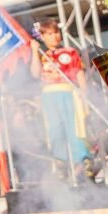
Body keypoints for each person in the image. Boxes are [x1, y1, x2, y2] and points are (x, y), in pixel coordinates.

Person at [33, 20, 91, 173]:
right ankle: (60, 161)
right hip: (49, 95)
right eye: (50, 34)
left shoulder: (70, 52)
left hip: (68, 93)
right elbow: (35, 73)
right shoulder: (41, 54)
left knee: (75, 127)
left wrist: (84, 94)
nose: (54, 37)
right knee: (54, 129)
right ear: (43, 36)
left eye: (56, 33)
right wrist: (34, 51)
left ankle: (82, 161)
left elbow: (79, 73)